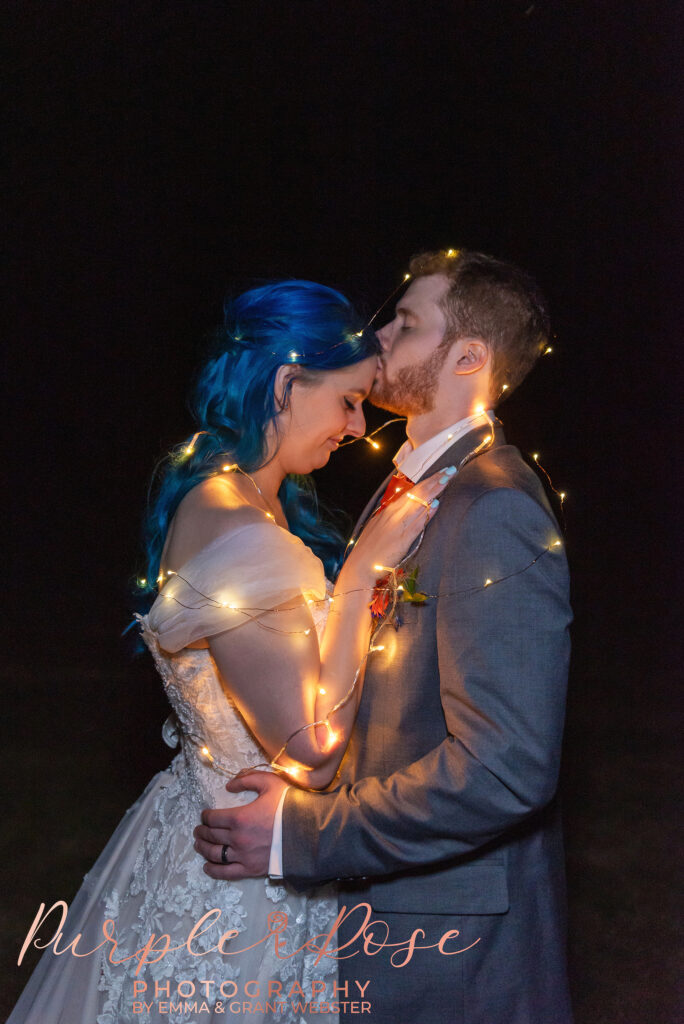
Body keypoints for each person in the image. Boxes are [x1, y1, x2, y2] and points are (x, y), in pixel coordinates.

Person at [9, 279, 448, 1024]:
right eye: (347, 400)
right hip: (235, 879)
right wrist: (363, 574)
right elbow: (310, 749)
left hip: (233, 838)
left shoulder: (246, 497)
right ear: (284, 383)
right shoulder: (238, 531)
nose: (354, 426)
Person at [195, 250, 574, 1023]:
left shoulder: (494, 509)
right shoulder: (411, 482)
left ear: (468, 358)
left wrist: (304, 832)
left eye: (406, 323)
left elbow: (505, 768)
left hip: (450, 953)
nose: (379, 335)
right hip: (379, 915)